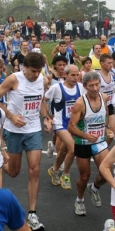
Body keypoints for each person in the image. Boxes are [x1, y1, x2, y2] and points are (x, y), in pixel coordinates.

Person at [0, 52, 51, 230]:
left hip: (33, 129)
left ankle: (32, 214)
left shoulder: (42, 80)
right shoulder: (13, 79)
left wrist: (45, 117)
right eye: (33, 71)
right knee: (13, 171)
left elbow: (41, 101)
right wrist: (11, 116)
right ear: (24, 67)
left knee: (34, 170)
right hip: (14, 131)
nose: (36, 75)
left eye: (39, 71)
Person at [67, 71, 113, 215]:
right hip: (83, 143)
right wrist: (86, 135)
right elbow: (71, 127)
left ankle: (94, 188)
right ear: (85, 86)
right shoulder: (80, 103)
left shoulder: (104, 97)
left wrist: (106, 129)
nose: (94, 88)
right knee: (84, 176)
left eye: (97, 84)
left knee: (107, 173)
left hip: (99, 142)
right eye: (91, 86)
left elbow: (104, 115)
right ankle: (79, 200)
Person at [45, 60, 82, 190]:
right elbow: (44, 100)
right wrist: (48, 117)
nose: (75, 78)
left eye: (77, 75)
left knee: (64, 150)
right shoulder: (57, 88)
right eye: (73, 75)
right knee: (73, 148)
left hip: (74, 124)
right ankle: (65, 174)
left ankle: (54, 170)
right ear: (65, 75)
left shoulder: (80, 87)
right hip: (60, 124)